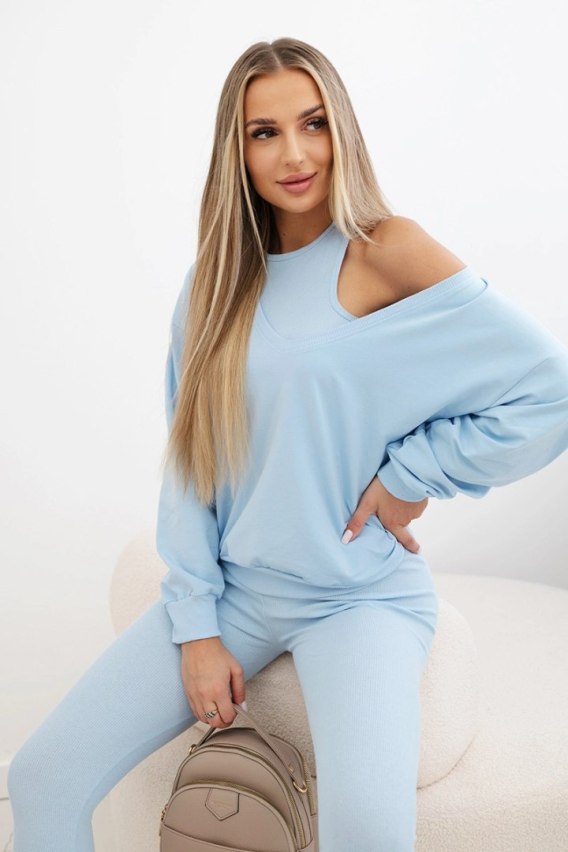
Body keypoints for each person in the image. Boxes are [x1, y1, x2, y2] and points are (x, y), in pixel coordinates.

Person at [7, 36, 568, 852]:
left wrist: (415, 473)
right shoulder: (212, 284)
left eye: (313, 123)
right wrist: (197, 628)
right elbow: (192, 464)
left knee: (368, 835)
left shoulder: (386, 249)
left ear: (341, 129)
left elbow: (548, 390)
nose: (295, 154)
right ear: (235, 151)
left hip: (358, 598)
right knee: (42, 777)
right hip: (236, 590)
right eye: (264, 132)